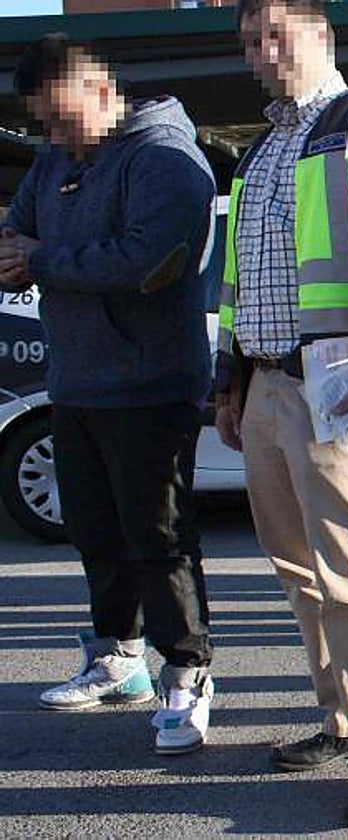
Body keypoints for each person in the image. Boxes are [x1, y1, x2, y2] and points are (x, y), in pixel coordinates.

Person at [215, 0, 348, 825]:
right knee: (299, 565)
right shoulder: (262, 150)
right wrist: (229, 385)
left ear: (320, 35)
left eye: (276, 33)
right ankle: (347, 719)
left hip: (345, 383)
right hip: (270, 385)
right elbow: (241, 281)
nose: (262, 52)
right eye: (249, 40)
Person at [0, 36, 216, 755]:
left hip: (151, 385)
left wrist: (40, 261)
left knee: (158, 538)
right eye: (41, 123)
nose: (53, 136)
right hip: (77, 380)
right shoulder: (56, 159)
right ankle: (117, 658)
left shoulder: (165, 158)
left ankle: (187, 672)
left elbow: (146, 261)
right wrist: (26, 254)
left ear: (98, 88)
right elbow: (14, 234)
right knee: (94, 532)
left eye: (60, 117)